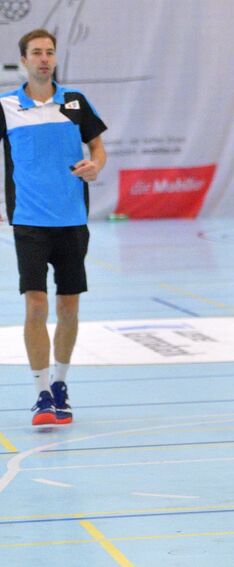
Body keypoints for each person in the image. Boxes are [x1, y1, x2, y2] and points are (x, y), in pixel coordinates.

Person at [3, 29, 106, 426]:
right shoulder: (7, 105)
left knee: (68, 306)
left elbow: (97, 147)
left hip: (72, 221)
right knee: (35, 304)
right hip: (28, 221)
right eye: (36, 53)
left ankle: (61, 384)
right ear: (24, 61)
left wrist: (96, 165)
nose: (44, 59)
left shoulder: (75, 102)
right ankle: (41, 392)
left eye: (49, 52)